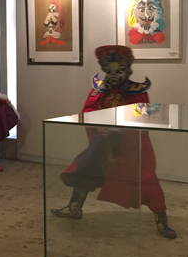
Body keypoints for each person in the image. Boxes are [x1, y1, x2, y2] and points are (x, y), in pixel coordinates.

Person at [51, 45, 176, 239]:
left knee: (147, 179)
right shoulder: (98, 91)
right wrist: (98, 128)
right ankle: (74, 207)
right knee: (86, 170)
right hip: (104, 144)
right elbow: (87, 112)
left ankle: (162, 220)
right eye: (110, 70)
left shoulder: (137, 91)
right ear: (104, 69)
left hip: (132, 147)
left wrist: (123, 130)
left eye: (119, 70)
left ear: (127, 69)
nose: (114, 74)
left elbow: (144, 118)